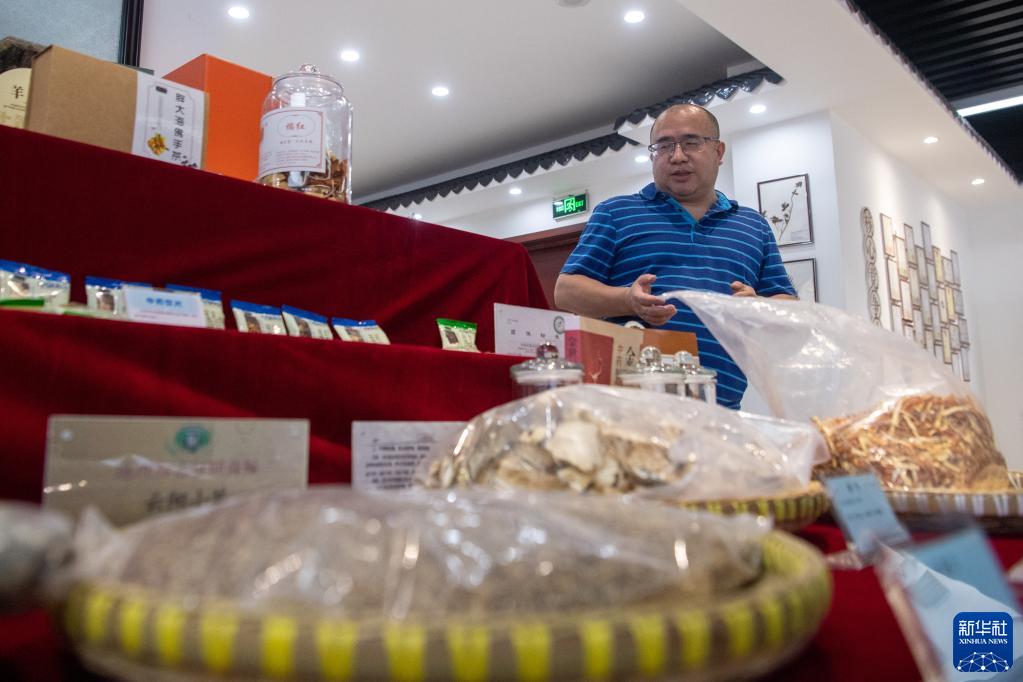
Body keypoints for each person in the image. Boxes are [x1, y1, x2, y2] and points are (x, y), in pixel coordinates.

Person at [554, 103, 796, 409]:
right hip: (629, 405)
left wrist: (758, 308)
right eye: (664, 146)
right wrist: (627, 300)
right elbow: (566, 291)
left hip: (720, 407)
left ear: (718, 151)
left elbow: (788, 305)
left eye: (691, 143)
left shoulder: (754, 225)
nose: (677, 156)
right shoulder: (616, 213)